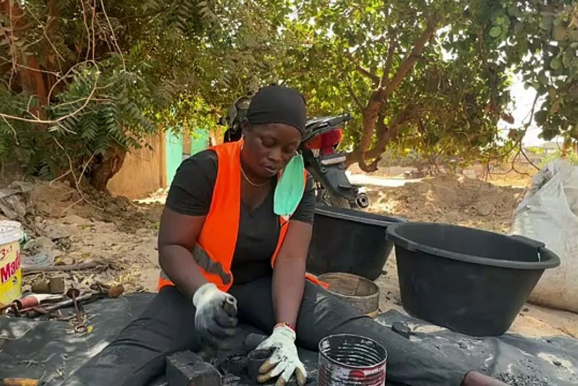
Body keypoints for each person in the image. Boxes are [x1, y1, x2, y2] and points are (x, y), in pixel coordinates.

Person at [65, 85, 507, 386]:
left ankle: (462, 378)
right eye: (266, 142)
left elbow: (293, 261)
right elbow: (172, 247)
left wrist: (285, 330)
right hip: (198, 287)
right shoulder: (204, 169)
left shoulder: (299, 184)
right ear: (247, 132)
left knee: (345, 325)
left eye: (289, 149)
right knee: (136, 350)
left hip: (264, 284)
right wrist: (202, 295)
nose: (276, 157)